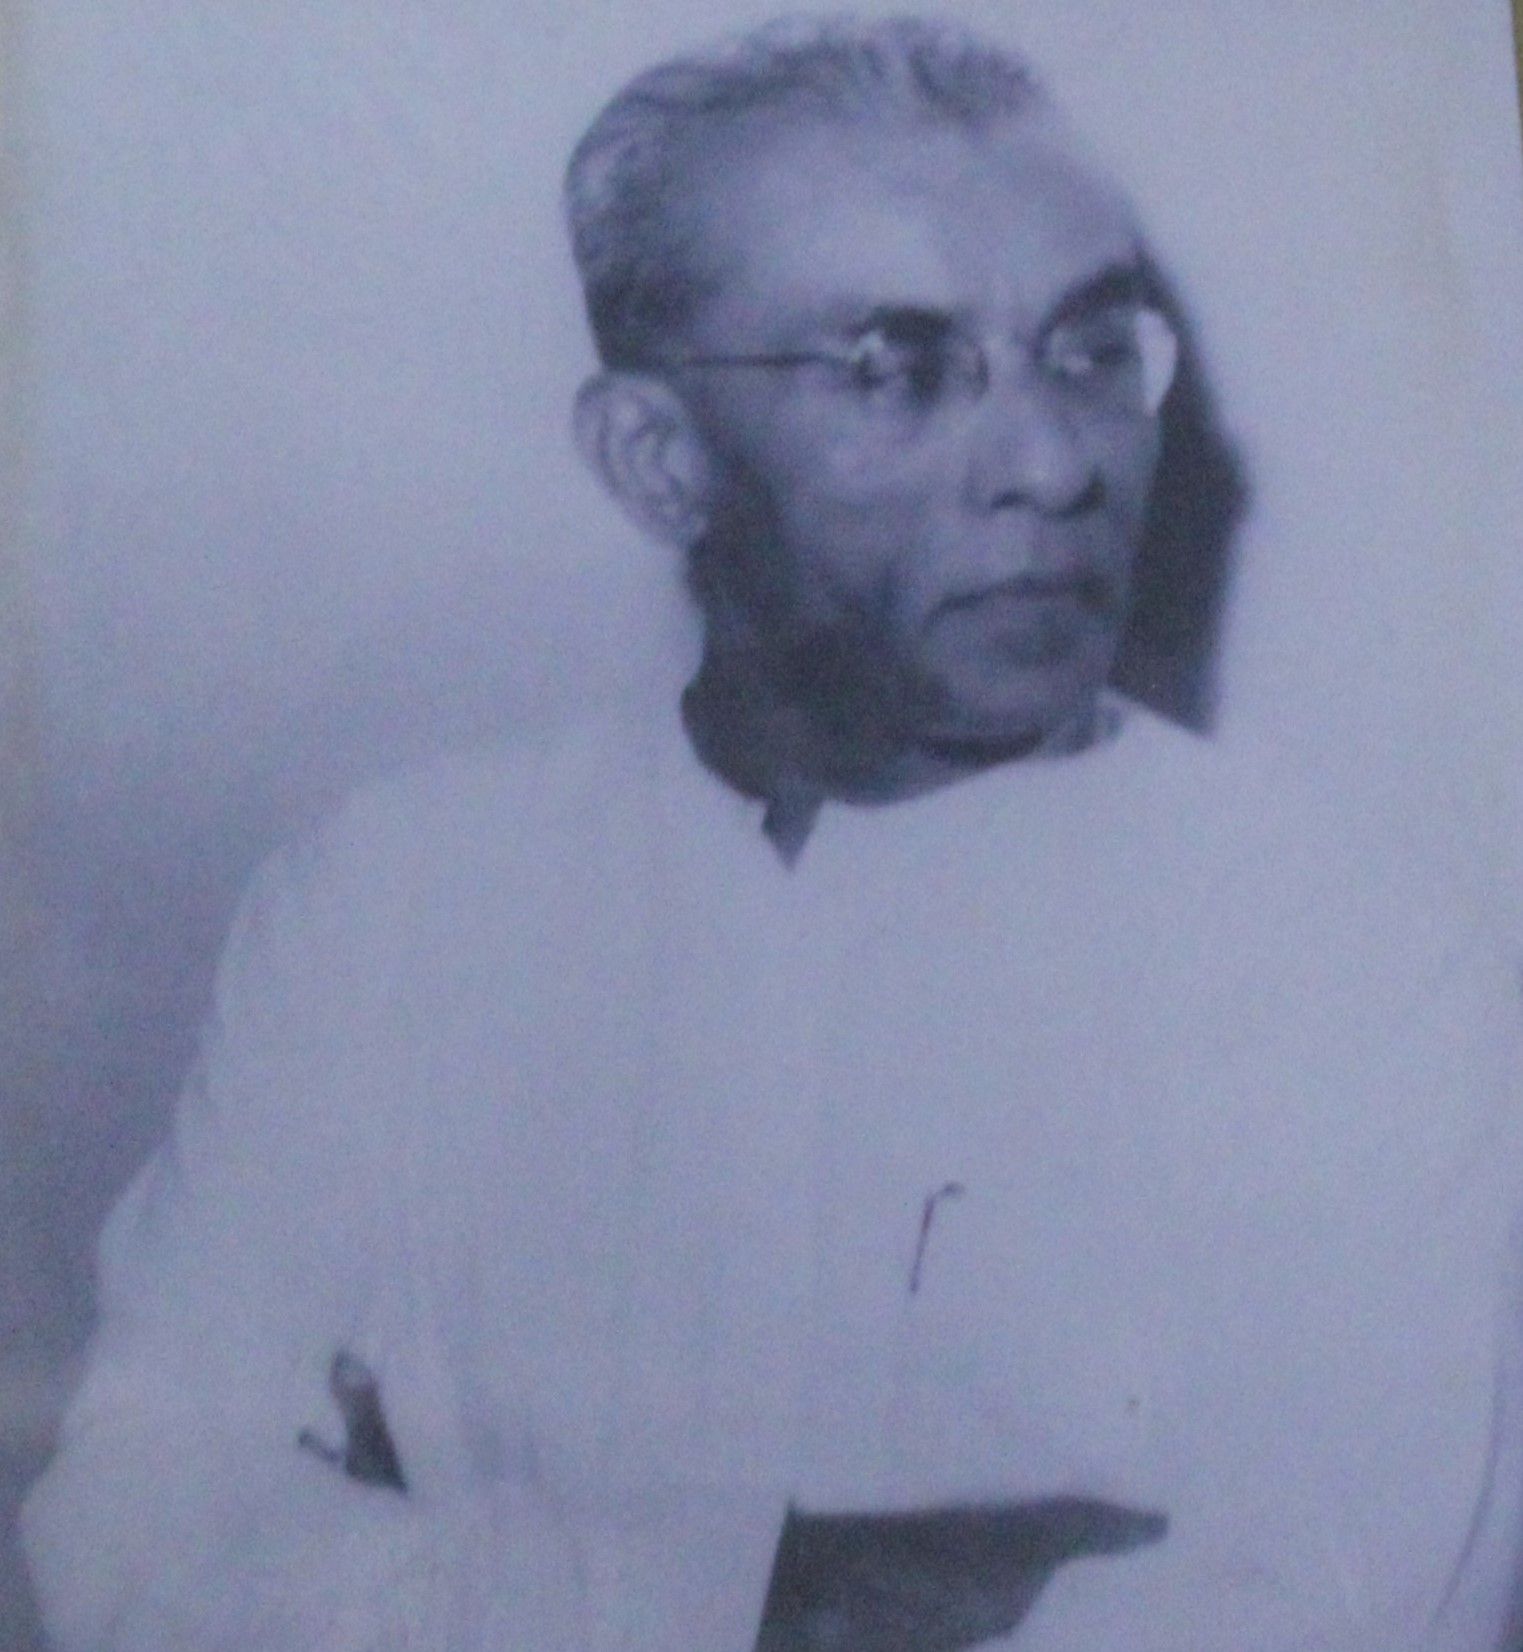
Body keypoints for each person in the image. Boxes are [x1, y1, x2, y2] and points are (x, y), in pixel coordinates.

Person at [22, 16, 1523, 1651]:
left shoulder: (1344, 959)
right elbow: (129, 1545)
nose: (1052, 464)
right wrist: (783, 1593)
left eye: (1093, 351)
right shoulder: (388, 909)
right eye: (895, 367)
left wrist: (452, 1572)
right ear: (657, 460)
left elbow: (1350, 1617)